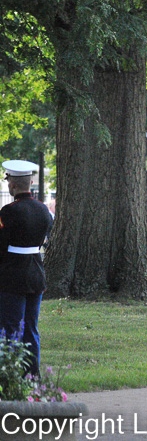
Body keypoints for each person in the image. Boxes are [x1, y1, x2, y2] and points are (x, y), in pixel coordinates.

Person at [0, 160, 52, 376]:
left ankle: (10, 375)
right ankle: (32, 375)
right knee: (31, 328)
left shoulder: (8, 211)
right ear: (30, 183)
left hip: (12, 275)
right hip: (36, 272)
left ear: (12, 184)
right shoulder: (43, 209)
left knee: (10, 327)